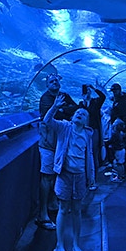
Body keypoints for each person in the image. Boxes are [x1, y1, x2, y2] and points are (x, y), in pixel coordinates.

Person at [42, 94, 96, 251]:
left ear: (86, 121)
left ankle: (76, 245)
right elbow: (47, 121)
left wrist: (91, 175)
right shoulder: (64, 128)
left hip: (79, 177)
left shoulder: (88, 134)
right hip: (65, 175)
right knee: (64, 209)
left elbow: (90, 155)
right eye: (78, 112)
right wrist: (55, 106)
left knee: (77, 210)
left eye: (84, 113)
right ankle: (59, 246)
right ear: (72, 117)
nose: (80, 113)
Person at [36, 74, 78, 231]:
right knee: (46, 177)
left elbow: (74, 108)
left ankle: (53, 203)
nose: (55, 83)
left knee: (56, 174)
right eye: (51, 81)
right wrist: (61, 109)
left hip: (60, 144)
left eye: (57, 80)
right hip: (47, 144)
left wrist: (62, 109)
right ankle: (42, 214)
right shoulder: (45, 98)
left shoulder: (64, 95)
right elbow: (49, 117)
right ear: (47, 85)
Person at [79, 83, 106, 175]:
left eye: (89, 91)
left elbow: (103, 96)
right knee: (85, 152)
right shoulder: (81, 104)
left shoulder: (95, 102)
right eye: (86, 92)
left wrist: (94, 88)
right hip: (83, 131)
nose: (88, 93)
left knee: (94, 152)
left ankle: (94, 176)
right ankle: (86, 175)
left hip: (94, 131)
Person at [109, 83, 126, 176]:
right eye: (113, 91)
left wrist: (123, 129)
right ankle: (122, 169)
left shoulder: (123, 100)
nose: (114, 93)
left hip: (121, 127)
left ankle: (123, 170)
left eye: (115, 91)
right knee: (120, 147)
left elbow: (123, 114)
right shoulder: (120, 98)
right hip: (118, 127)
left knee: (121, 147)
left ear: (119, 90)